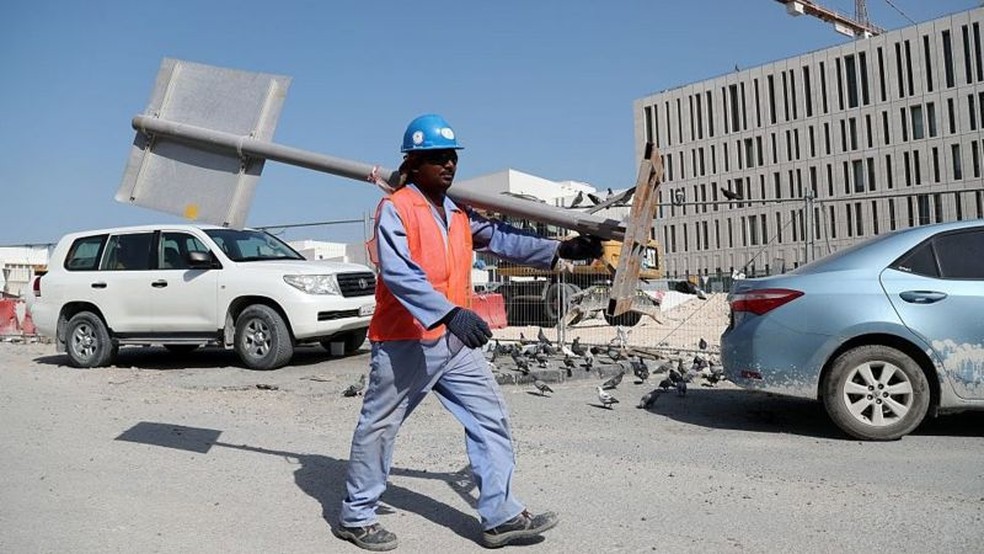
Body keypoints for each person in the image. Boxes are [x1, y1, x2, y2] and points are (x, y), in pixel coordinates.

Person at [334, 114, 603, 551]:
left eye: (452, 157)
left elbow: (503, 238)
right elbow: (401, 275)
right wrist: (448, 314)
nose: (448, 165)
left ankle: (501, 516)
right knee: (380, 426)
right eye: (437, 157)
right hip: (406, 339)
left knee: (488, 417)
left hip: (453, 343)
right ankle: (357, 516)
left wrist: (559, 249)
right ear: (414, 163)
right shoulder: (397, 208)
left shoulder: (458, 213)